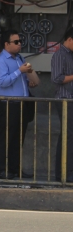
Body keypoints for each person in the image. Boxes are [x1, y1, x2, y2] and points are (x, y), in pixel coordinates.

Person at [0, 29, 39, 180]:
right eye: (16, 42)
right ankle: (0, 170)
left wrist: (28, 79)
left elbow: (23, 79)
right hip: (7, 104)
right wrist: (20, 71)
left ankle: (15, 168)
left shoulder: (19, 58)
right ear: (6, 44)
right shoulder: (0, 61)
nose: (19, 45)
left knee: (18, 138)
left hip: (21, 103)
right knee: (5, 138)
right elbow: (3, 81)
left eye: (20, 42)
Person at [52, 28, 73, 183]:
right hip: (64, 99)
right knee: (67, 136)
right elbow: (57, 78)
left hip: (70, 99)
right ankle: (62, 174)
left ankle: (67, 171)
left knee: (70, 137)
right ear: (70, 39)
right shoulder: (60, 54)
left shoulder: (70, 55)